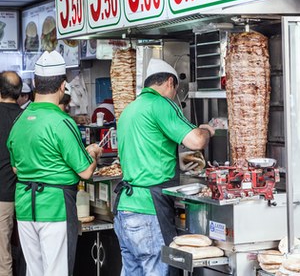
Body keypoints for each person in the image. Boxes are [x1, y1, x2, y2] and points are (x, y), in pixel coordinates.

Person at [113, 58, 215, 276]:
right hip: (149, 211)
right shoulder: (160, 104)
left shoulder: (130, 110)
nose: (174, 97)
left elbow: (145, 153)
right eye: (175, 91)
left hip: (125, 209)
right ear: (170, 82)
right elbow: (196, 141)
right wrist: (207, 130)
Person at [7, 51, 103, 276]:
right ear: (63, 86)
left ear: (33, 83)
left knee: (34, 272)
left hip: (25, 207)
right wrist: (94, 153)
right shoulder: (61, 122)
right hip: (55, 207)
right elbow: (86, 171)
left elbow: (15, 167)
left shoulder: (20, 120)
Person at [0, 71, 22, 276]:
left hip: (2, 195)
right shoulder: (25, 117)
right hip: (27, 194)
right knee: (28, 251)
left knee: (2, 254)